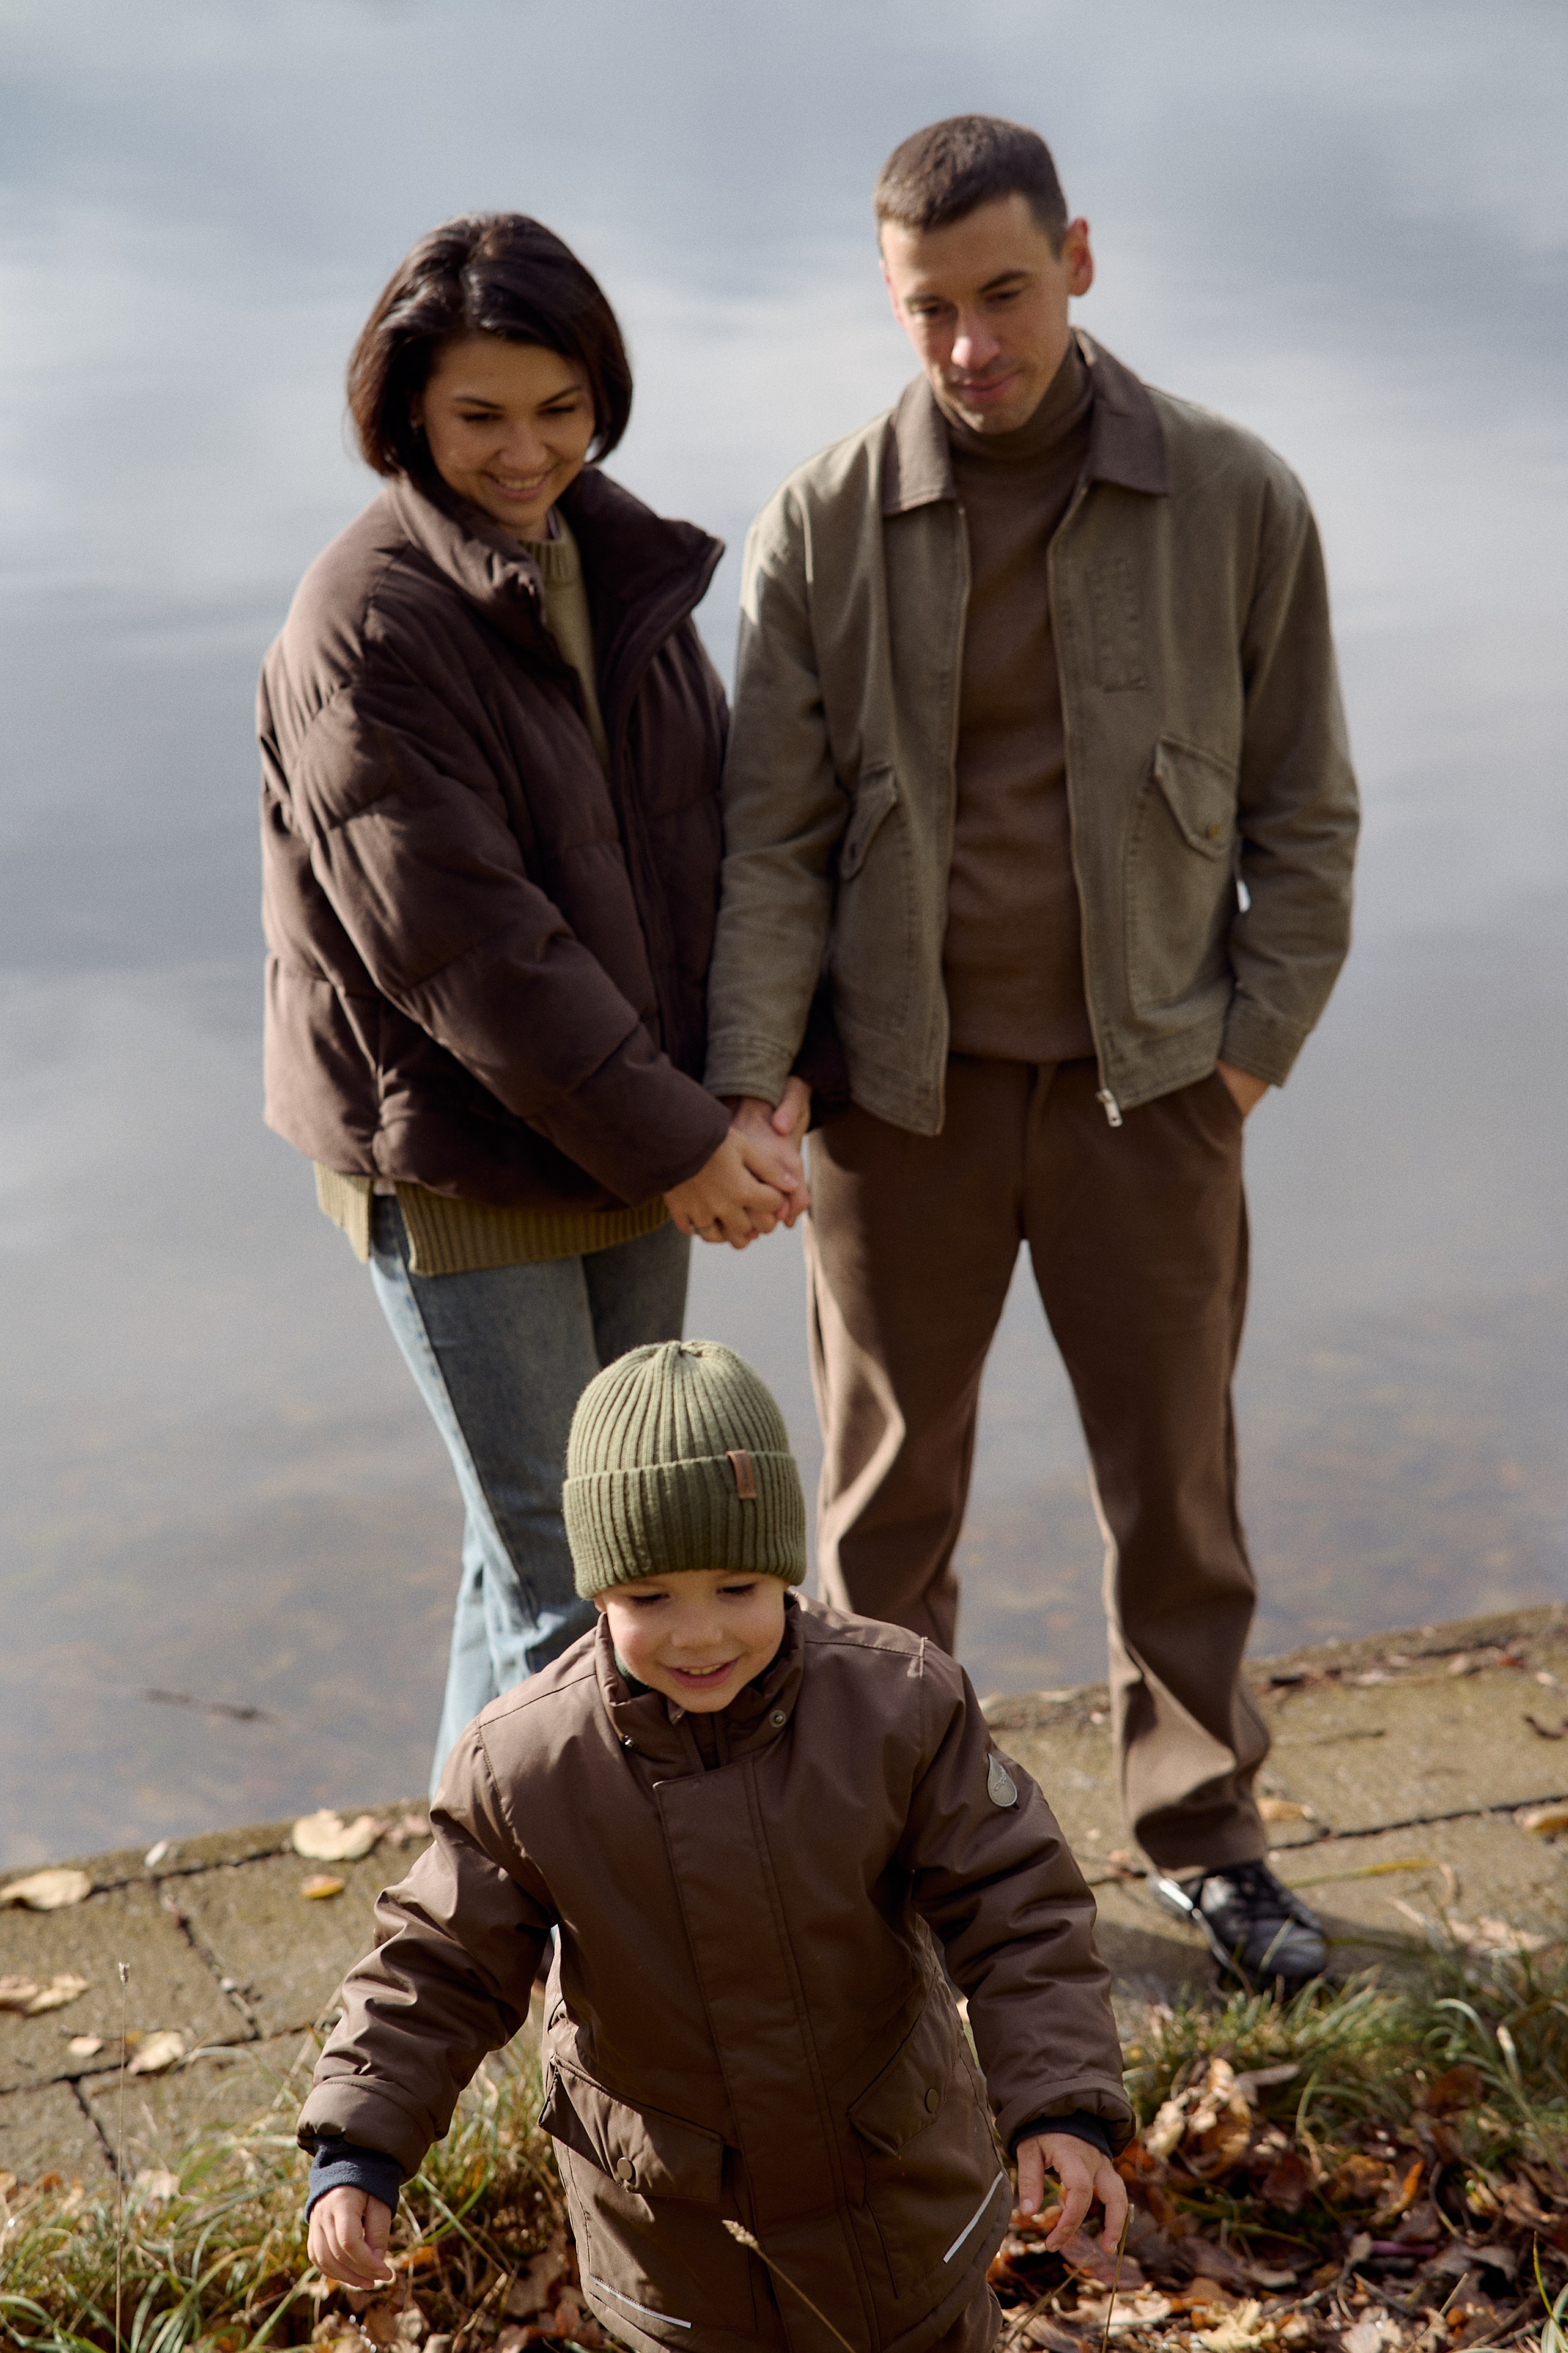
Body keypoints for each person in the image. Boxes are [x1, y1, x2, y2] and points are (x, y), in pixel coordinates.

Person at [702, 118, 1359, 1990]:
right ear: (890, 301)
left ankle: (1206, 1836)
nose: (973, 344)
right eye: (931, 310)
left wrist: (1247, 1058)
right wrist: (758, 1083)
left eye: (1004, 294)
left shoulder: (1236, 495)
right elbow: (773, 839)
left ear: (1078, 254)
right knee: (884, 1512)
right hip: (890, 1104)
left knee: (1177, 1484)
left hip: (1152, 1090)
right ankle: (896, 1842)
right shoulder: (825, 519)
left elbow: (1307, 812)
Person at [258, 215, 802, 1793]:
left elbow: (703, 840)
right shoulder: (362, 625)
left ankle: (460, 1896)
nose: (525, 451)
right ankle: (574, 1968)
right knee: (580, 1589)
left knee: (554, 1558)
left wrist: (755, 1085)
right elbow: (465, 950)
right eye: (480, 415)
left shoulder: (611, 560)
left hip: (633, 1139)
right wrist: (677, 1139)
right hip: (458, 1167)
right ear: (407, 412)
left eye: (558, 408)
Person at [300, 1339, 1132, 2351]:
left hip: (897, 2193)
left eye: (738, 1587)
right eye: (651, 1597)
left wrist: (1060, 2100)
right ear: (597, 1589)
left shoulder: (899, 1704)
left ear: (788, 1568)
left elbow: (1018, 1907)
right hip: (681, 2235)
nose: (699, 1634)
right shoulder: (526, 1763)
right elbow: (437, 1962)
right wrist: (358, 2144)